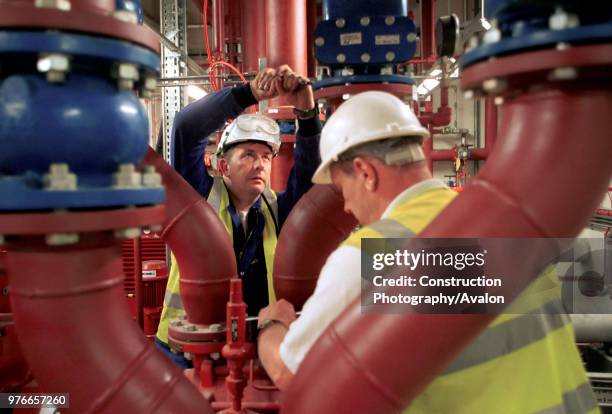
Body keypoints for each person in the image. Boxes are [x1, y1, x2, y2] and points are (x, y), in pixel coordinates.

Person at [256, 91, 598, 413]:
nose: (345, 207)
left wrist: (272, 327)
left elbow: (295, 374)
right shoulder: (501, 226)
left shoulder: (367, 257)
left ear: (365, 172)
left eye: (342, 189)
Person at [156, 65, 321, 368]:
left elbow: (310, 173)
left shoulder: (278, 210)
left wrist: (308, 115)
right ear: (223, 167)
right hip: (187, 351)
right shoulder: (199, 197)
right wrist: (248, 94)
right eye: (247, 155)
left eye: (265, 157)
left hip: (257, 350)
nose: (259, 164)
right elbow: (185, 128)